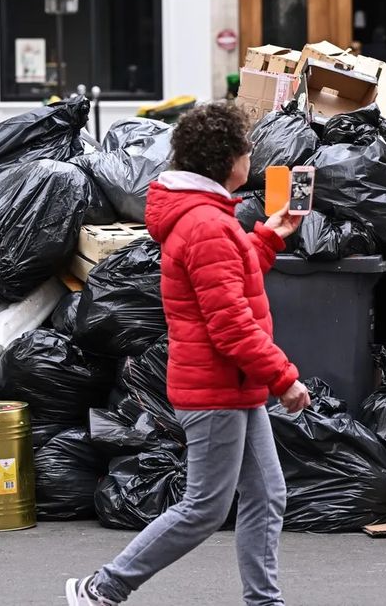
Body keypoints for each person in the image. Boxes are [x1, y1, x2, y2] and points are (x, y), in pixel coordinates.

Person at [67, 102, 309, 606]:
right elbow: (231, 325)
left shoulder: (210, 219)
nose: (252, 155)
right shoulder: (205, 224)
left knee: (267, 495)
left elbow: (229, 281)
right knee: (203, 507)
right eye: (247, 148)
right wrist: (284, 378)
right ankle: (102, 588)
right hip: (216, 389)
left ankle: (264, 602)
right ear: (229, 160)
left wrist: (267, 237)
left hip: (232, 386)